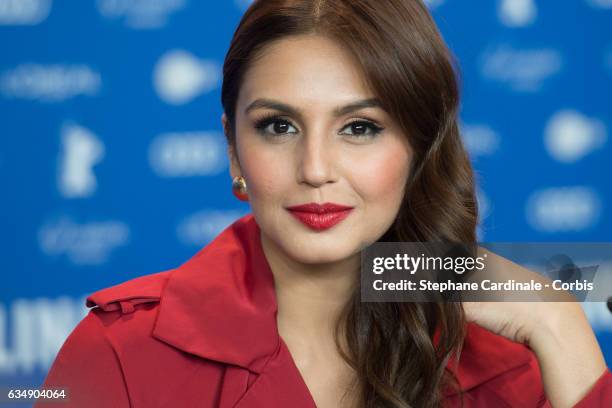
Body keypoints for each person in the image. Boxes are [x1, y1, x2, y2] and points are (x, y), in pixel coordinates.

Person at [37, 0, 612, 407]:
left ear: (418, 148)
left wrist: (558, 321)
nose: (315, 169)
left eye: (359, 127)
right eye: (279, 126)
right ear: (233, 150)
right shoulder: (119, 352)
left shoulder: (506, 363)